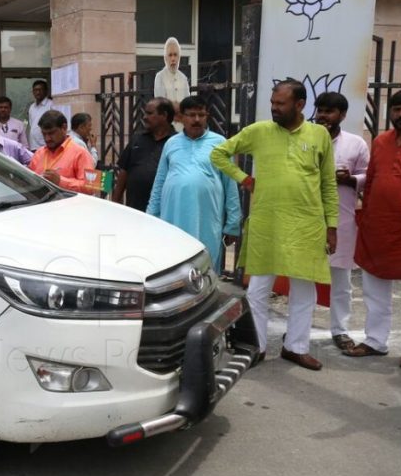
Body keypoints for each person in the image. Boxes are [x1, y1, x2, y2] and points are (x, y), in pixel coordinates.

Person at [210, 79, 338, 370]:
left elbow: (328, 184)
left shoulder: (319, 135)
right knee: (257, 290)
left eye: (280, 104)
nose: (274, 109)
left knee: (304, 290)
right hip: (267, 222)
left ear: (300, 104)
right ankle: (257, 347)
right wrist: (244, 179)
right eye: (272, 103)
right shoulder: (259, 131)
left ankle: (296, 347)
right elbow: (219, 154)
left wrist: (332, 226)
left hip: (307, 224)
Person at [349, 87, 401, 369]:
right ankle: (375, 340)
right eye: (397, 110)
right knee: (375, 289)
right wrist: (367, 214)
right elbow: (372, 181)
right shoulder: (382, 141)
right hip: (378, 227)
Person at [147, 96, 241, 273]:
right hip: (173, 216)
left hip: (207, 218)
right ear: (181, 117)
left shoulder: (220, 143)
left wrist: (233, 224)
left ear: (207, 116)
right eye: (191, 115)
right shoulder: (171, 144)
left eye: (201, 115)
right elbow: (159, 183)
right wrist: (151, 216)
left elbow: (231, 185)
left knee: (205, 266)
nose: (196, 120)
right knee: (172, 264)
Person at [313, 92, 369, 352]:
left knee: (341, 280)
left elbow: (369, 175)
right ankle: (298, 327)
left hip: (343, 221)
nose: (323, 115)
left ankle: (340, 330)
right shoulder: (304, 140)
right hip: (308, 219)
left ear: (343, 115)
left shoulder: (356, 144)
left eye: (330, 111)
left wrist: (351, 180)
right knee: (302, 279)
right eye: (320, 110)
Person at [112, 97, 176, 211]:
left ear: (164, 115)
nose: (145, 117)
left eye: (150, 113)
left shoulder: (176, 142)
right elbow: (123, 172)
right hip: (135, 210)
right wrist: (115, 203)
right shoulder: (137, 138)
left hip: (163, 210)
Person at [28, 110, 98, 194]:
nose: (47, 139)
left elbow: (92, 187)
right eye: (44, 134)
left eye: (51, 133)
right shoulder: (39, 153)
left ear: (64, 128)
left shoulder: (80, 152)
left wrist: (60, 181)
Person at [153, 37, 190, 110]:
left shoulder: (183, 78)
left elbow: (187, 104)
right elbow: (161, 105)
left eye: (175, 55)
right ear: (165, 58)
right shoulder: (160, 77)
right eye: (170, 55)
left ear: (179, 57)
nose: (173, 59)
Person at [25, 79, 54, 151]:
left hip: (45, 145)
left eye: (40, 90)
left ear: (46, 91)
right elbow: (32, 125)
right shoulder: (32, 107)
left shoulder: (51, 105)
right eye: (35, 90)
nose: (37, 92)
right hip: (33, 146)